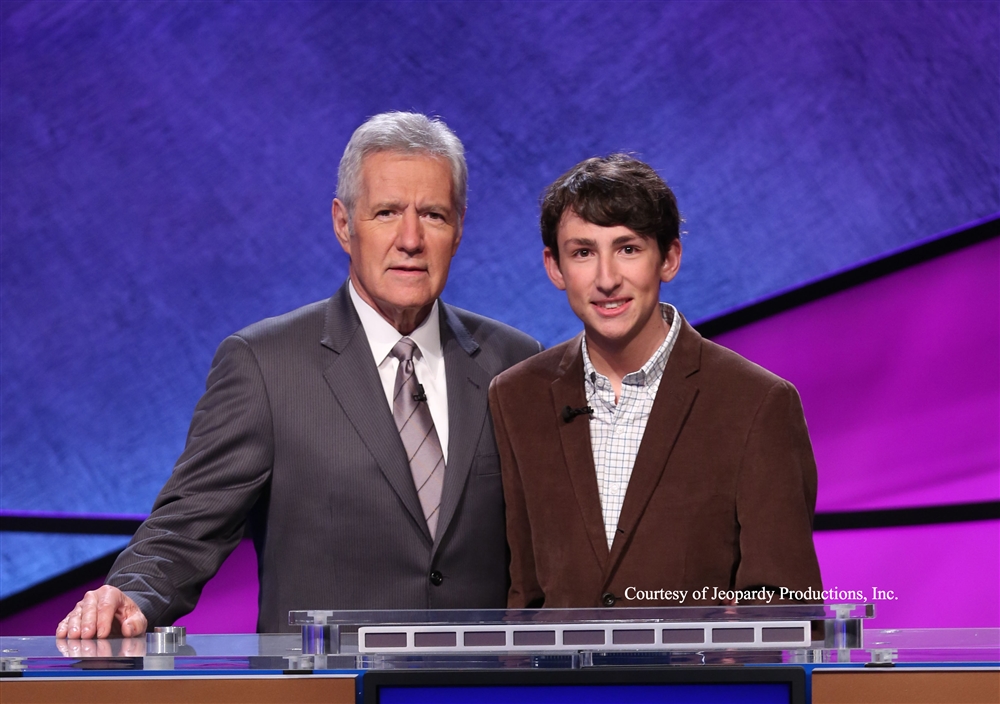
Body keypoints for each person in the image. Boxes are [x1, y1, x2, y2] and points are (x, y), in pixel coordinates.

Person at [57, 112, 541, 638]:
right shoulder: (265, 364)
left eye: (433, 215)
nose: (410, 238)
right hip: (329, 687)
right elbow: (186, 526)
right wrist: (130, 595)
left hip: (479, 687)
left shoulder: (513, 362)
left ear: (460, 228)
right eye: (385, 213)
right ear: (343, 223)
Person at [489, 154, 822, 609]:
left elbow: (787, 601)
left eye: (628, 249)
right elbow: (523, 594)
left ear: (669, 258)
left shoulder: (756, 403)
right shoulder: (517, 396)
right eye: (583, 253)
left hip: (694, 681)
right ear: (554, 267)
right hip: (558, 681)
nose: (607, 279)